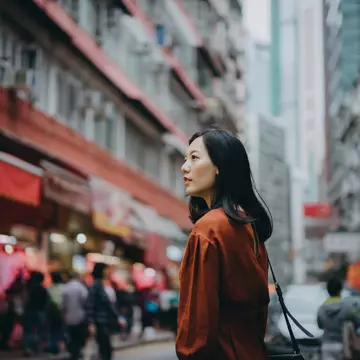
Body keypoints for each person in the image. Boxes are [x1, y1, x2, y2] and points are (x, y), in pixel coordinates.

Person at [176, 128, 273, 360]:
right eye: (185, 158)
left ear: (219, 166)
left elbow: (198, 325)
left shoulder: (209, 229)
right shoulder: (249, 227)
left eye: (195, 158)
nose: (184, 167)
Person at [86, 263, 123, 360]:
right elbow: (91, 305)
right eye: (106, 269)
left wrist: (118, 317)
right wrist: (91, 323)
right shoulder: (95, 286)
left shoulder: (104, 284)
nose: (108, 272)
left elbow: (110, 305)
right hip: (100, 321)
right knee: (104, 347)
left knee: (106, 347)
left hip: (107, 320)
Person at [317, 277, 360, 360]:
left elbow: (320, 325)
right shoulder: (347, 307)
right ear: (340, 290)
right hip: (344, 346)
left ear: (328, 290)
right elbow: (357, 322)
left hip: (327, 346)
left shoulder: (321, 309)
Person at [62, 272, 88, 360]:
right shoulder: (81, 288)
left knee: (71, 336)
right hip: (80, 316)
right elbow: (86, 301)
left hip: (68, 317)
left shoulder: (65, 288)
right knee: (79, 336)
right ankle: (78, 351)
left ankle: (73, 353)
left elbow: (63, 305)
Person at [23, 271, 49, 356]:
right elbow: (46, 302)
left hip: (29, 311)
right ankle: (35, 347)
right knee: (39, 331)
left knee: (28, 330)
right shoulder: (43, 289)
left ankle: (28, 348)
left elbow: (26, 301)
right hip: (40, 312)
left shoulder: (29, 288)